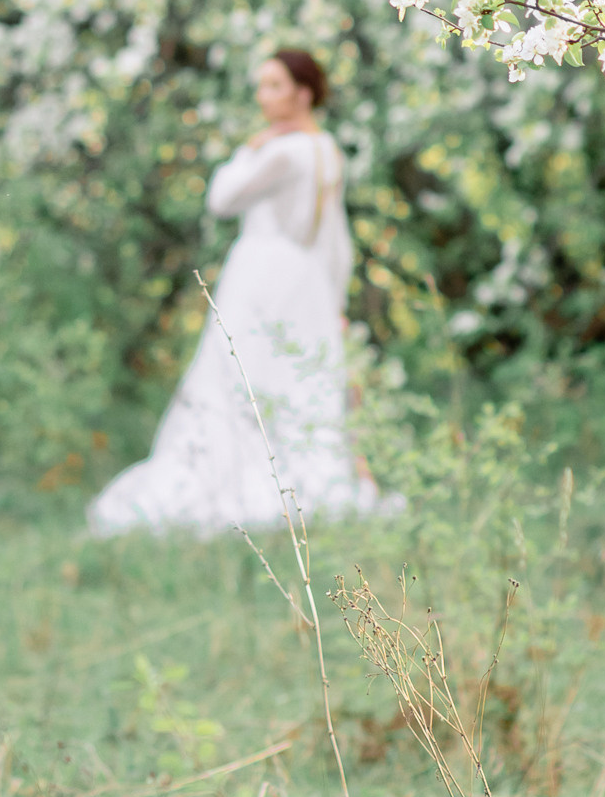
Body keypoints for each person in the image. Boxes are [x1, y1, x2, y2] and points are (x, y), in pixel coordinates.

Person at [86, 47, 390, 538]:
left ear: (303, 93)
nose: (262, 96)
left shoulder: (281, 151)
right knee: (297, 375)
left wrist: (251, 148)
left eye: (274, 85)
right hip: (308, 278)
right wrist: (333, 296)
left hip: (264, 272)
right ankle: (303, 481)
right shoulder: (327, 149)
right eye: (262, 85)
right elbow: (335, 237)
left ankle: (242, 482)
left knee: (242, 373)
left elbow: (222, 199)